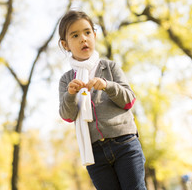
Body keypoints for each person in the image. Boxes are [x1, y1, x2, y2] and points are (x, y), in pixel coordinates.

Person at [58, 10, 147, 190]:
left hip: (125, 144)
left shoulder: (110, 67)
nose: (83, 38)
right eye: (75, 35)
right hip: (94, 153)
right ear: (65, 44)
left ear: (95, 35)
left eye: (87, 32)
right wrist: (70, 95)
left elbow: (128, 100)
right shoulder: (67, 80)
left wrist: (107, 85)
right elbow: (67, 116)